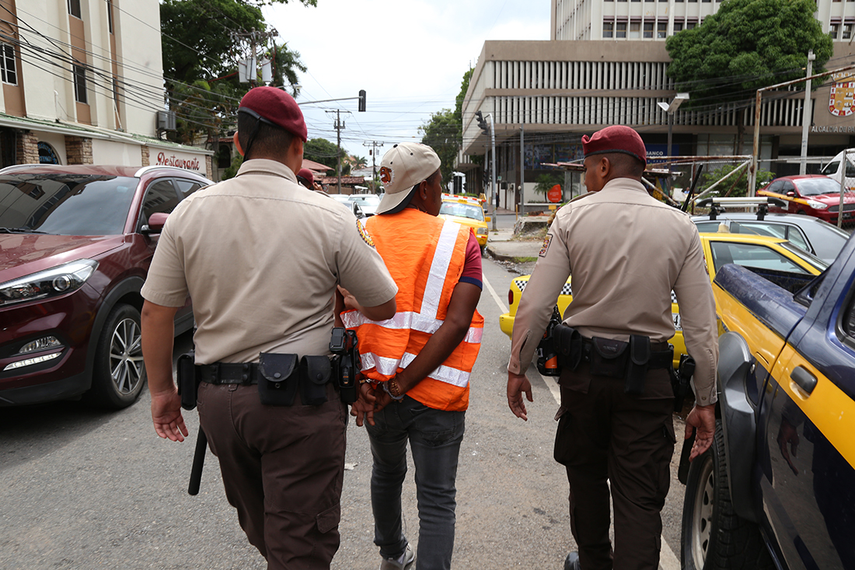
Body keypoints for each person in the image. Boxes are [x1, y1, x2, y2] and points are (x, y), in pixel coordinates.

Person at [140, 86, 398, 570]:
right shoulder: (330, 217)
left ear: (238, 144)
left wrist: (161, 392)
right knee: (299, 546)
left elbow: (155, 311)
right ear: (299, 148)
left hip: (220, 405)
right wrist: (342, 295)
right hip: (300, 405)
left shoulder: (188, 214)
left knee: (266, 532)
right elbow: (384, 303)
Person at [506, 125, 718, 570]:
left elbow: (537, 304)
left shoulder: (571, 218)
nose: (584, 178)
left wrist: (517, 367)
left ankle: (593, 561)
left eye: (586, 168)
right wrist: (705, 400)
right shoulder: (680, 226)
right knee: (640, 501)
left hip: (584, 381)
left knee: (585, 480)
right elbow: (700, 326)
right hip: (649, 387)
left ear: (604, 166)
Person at [340, 142, 484, 570]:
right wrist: (402, 386)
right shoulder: (461, 240)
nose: (440, 191)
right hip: (437, 395)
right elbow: (456, 323)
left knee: (386, 473)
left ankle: (392, 554)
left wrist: (364, 388)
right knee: (437, 498)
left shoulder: (359, 233)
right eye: (439, 182)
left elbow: (339, 313)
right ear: (422, 189)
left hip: (375, 392)